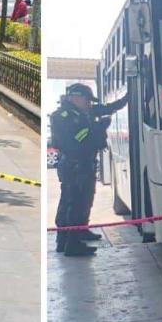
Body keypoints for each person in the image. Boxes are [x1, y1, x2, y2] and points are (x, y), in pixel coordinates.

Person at [50, 83, 128, 256]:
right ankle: (70, 243)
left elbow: (109, 108)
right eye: (87, 100)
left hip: (84, 164)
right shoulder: (62, 116)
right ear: (75, 98)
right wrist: (98, 128)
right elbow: (75, 140)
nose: (89, 104)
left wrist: (127, 96)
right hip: (74, 164)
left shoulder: (83, 112)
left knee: (85, 200)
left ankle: (78, 232)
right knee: (74, 203)